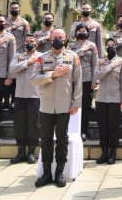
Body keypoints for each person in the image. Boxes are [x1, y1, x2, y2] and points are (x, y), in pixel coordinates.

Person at [32, 29, 82, 188]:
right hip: (46, 106)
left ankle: (59, 172)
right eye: (55, 37)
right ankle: (46, 173)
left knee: (62, 139)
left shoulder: (73, 57)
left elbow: (78, 82)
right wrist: (53, 74)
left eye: (60, 37)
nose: (57, 40)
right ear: (50, 39)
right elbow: (34, 79)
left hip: (64, 107)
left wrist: (76, 103)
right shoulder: (42, 58)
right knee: (46, 139)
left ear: (65, 38)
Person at [94, 38, 122, 165]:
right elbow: (97, 76)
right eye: (108, 45)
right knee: (102, 127)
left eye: (112, 45)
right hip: (101, 100)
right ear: (105, 47)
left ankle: (112, 154)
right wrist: (109, 67)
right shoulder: (100, 61)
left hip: (115, 99)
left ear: (116, 46)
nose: (110, 47)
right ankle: (104, 153)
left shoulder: (121, 62)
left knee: (113, 128)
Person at [8, 35, 41, 164]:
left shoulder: (42, 56)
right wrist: (27, 62)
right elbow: (12, 69)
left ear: (36, 43)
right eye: (27, 42)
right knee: (20, 125)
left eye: (31, 42)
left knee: (33, 124)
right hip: (20, 96)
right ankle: (20, 152)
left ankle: (31, 152)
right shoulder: (18, 56)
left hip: (35, 95)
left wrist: (33, 61)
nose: (29, 44)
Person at [68, 23, 98, 141]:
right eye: (80, 31)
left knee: (85, 106)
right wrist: (81, 51)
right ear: (76, 33)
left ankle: (83, 130)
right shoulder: (71, 45)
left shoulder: (92, 45)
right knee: (73, 105)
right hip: (73, 79)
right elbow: (70, 59)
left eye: (84, 31)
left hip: (87, 78)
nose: (82, 33)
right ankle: (72, 130)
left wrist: (95, 80)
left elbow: (95, 64)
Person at [5, 2, 32, 110]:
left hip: (19, 53)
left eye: (16, 8)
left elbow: (28, 38)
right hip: (6, 53)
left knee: (17, 78)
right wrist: (13, 27)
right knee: (6, 76)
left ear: (19, 10)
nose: (14, 9)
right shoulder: (5, 22)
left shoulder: (25, 23)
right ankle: (5, 100)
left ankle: (14, 101)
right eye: (12, 8)